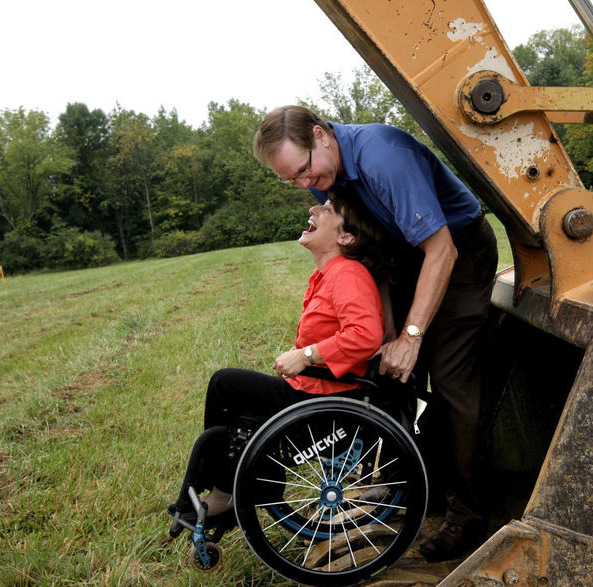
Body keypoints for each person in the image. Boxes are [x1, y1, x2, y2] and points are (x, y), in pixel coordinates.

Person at [253, 106, 498, 561]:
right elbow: (378, 258)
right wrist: (387, 332)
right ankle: (411, 483)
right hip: (409, 257)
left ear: (322, 136)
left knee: (448, 380)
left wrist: (412, 335)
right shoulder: (333, 176)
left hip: (458, 255)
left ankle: (469, 515)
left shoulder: (381, 156)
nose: (305, 184)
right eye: (292, 180)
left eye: (304, 170)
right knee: (389, 372)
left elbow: (440, 249)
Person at [168, 190, 386, 533]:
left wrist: (306, 355)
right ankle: (236, 485)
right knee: (234, 403)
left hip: (327, 400)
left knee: (226, 384)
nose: (314, 208)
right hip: (313, 390)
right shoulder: (327, 275)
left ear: (346, 236)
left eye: (327, 209)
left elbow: (365, 334)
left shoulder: (347, 274)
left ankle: (228, 492)